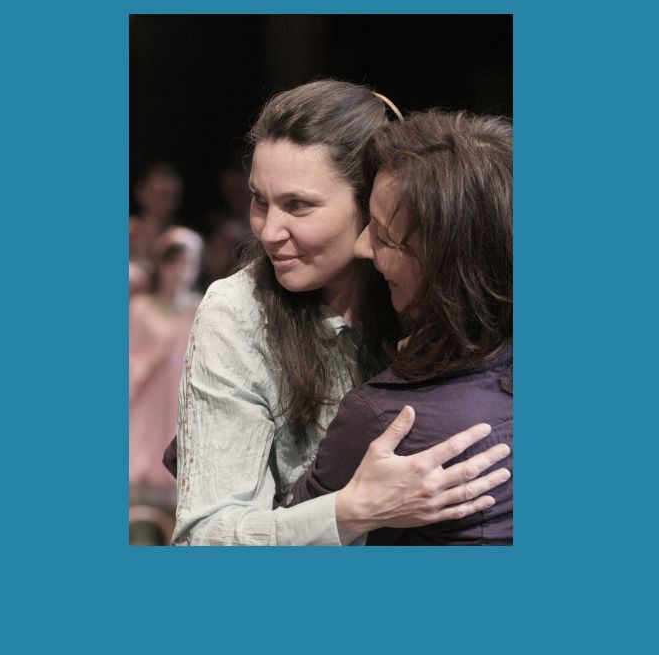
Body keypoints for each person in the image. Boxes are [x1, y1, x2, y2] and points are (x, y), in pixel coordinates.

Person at [172, 80, 511, 546]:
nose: (269, 232)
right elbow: (203, 537)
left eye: (298, 206)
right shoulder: (239, 311)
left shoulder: (426, 288)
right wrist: (353, 511)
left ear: (374, 202)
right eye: (259, 200)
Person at [283, 110, 513, 544]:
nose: (361, 246)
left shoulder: (387, 421)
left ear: (448, 268)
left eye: (386, 238)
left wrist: (351, 510)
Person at [129, 226, 204, 518]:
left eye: (189, 263)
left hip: (181, 405)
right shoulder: (140, 309)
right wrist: (153, 357)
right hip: (147, 405)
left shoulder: (200, 309)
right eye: (174, 263)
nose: (181, 272)